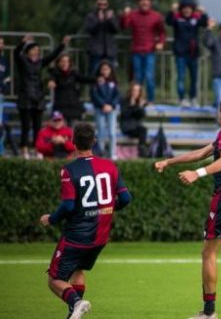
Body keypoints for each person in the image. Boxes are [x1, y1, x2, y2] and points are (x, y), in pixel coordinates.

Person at [154, 96, 221, 319]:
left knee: (208, 253)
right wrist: (168, 162)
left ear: (220, 113)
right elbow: (200, 153)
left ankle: (209, 313)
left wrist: (196, 173)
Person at [39, 122, 131, 319]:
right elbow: (125, 199)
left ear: (72, 142)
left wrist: (51, 219)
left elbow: (68, 206)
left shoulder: (69, 170)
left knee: (54, 279)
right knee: (78, 270)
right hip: (100, 237)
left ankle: (76, 302)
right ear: (94, 141)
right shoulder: (110, 166)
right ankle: (74, 314)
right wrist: (106, 209)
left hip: (76, 236)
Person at [15, 34, 69, 159]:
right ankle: (24, 149)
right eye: (33, 50)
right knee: (25, 126)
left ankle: (36, 149)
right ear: (28, 52)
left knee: (37, 127)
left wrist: (62, 45)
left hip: (38, 97)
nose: (36, 53)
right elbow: (17, 52)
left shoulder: (40, 63)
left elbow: (52, 56)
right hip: (25, 97)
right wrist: (23, 43)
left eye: (38, 51)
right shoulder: (22, 61)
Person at [120, 0, 166, 103]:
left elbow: (162, 32)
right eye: (142, 0)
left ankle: (150, 100)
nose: (144, 2)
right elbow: (124, 26)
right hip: (136, 51)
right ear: (139, 2)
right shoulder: (133, 14)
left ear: (150, 2)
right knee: (138, 78)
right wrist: (124, 15)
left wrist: (161, 42)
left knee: (150, 77)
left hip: (150, 51)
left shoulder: (156, 16)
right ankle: (137, 100)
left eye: (147, 0)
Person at [166, 0, 208, 107]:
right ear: (181, 8)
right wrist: (172, 11)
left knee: (194, 78)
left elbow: (204, 23)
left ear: (192, 8)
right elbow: (169, 21)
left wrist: (203, 12)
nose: (187, 10)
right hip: (180, 53)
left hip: (193, 53)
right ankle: (182, 99)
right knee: (180, 77)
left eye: (189, 8)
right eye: (184, 7)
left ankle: (193, 98)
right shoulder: (177, 18)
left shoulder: (196, 18)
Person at [48, 54, 97, 126]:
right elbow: (51, 80)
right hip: (60, 106)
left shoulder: (73, 73)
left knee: (72, 129)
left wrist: (97, 79)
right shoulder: (55, 73)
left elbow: (83, 79)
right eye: (62, 61)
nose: (65, 63)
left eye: (67, 61)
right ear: (58, 63)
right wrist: (51, 82)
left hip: (73, 105)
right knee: (61, 129)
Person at [91, 61, 120, 159]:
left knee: (112, 133)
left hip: (111, 110)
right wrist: (103, 105)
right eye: (103, 69)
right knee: (101, 132)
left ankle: (112, 154)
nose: (105, 71)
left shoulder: (114, 81)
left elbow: (117, 95)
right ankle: (100, 153)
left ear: (110, 70)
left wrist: (111, 105)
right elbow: (94, 95)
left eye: (107, 69)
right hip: (100, 109)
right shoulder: (96, 81)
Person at [84, 0, 119, 73]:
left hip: (110, 51)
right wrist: (99, 21)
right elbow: (89, 30)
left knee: (111, 74)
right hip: (96, 51)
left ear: (107, 5)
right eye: (100, 4)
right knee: (94, 73)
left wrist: (110, 20)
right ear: (96, 5)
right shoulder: (91, 16)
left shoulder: (111, 15)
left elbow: (116, 29)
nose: (102, 7)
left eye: (104, 5)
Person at [120, 83, 148, 157]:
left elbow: (141, 116)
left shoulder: (140, 102)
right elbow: (125, 115)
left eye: (137, 91)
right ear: (131, 91)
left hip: (136, 127)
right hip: (127, 127)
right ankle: (142, 152)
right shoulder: (125, 101)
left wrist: (140, 107)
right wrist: (131, 106)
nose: (135, 92)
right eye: (134, 90)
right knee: (143, 130)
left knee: (143, 129)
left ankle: (142, 150)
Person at [0, 37, 10, 156]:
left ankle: (1, 152)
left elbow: (7, 78)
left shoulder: (4, 60)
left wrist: (4, 86)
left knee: (0, 126)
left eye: (2, 43)